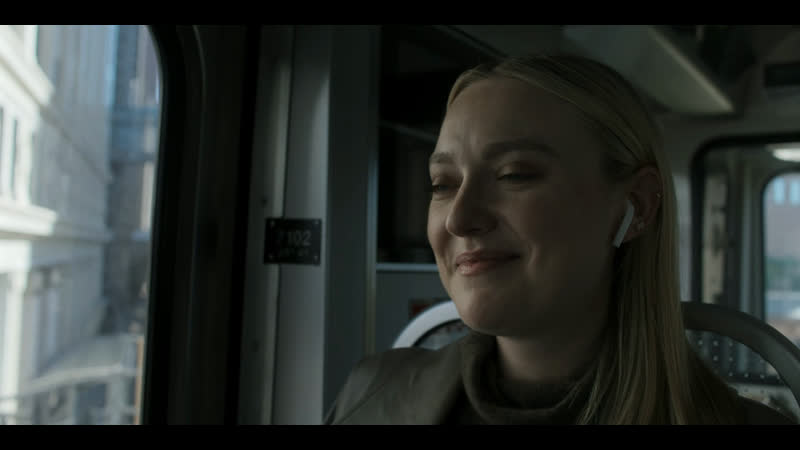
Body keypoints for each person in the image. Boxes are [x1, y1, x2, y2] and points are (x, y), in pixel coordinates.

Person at [325, 53, 797, 425]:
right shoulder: (367, 395)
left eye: (514, 174)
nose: (459, 219)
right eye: (442, 184)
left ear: (637, 206)